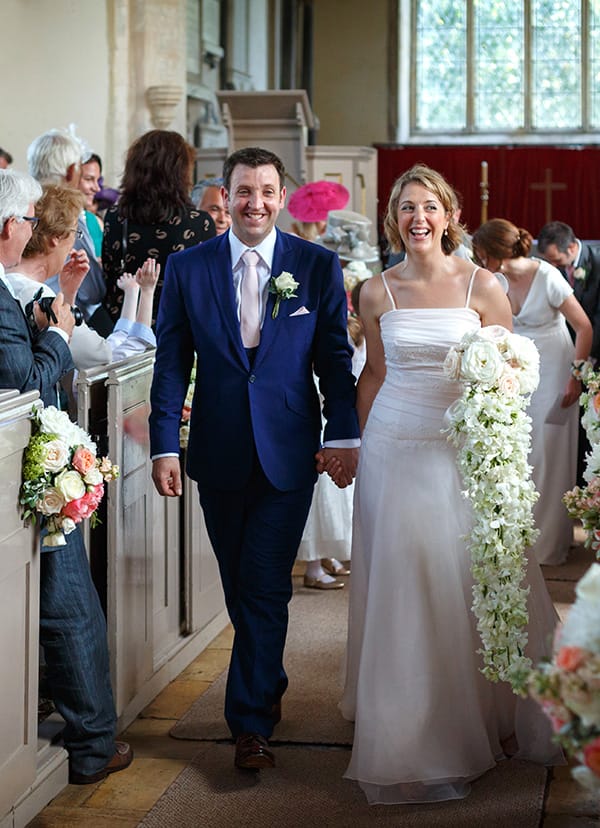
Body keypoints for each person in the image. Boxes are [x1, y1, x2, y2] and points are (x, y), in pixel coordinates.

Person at [340, 164, 562, 805]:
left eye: (429, 207)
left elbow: (515, 371)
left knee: (463, 574)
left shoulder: (483, 285)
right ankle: (406, 729)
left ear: (448, 215)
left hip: (461, 452)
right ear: (393, 217)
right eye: (406, 207)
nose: (417, 218)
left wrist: (495, 432)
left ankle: (484, 710)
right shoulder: (375, 291)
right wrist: (356, 448)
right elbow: (375, 377)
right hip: (392, 447)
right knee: (403, 578)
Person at [149, 146, 359, 771]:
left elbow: (334, 362)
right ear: (226, 193)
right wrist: (165, 444)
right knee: (243, 590)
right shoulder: (189, 268)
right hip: (216, 452)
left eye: (267, 191)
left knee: (265, 587)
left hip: (289, 455)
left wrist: (342, 436)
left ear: (282, 195)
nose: (256, 203)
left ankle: (249, 723)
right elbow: (170, 365)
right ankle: (265, 683)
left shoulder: (316, 266)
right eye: (244, 191)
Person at [0, 168, 132, 784]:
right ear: (14, 227)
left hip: (34, 461)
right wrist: (56, 331)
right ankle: (93, 743)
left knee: (63, 604)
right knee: (71, 607)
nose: (31, 235)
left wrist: (63, 310)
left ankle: (86, 733)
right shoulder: (5, 298)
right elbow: (27, 382)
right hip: (27, 467)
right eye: (27, 222)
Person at [472, 219, 592, 566]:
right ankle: (516, 541)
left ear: (492, 252)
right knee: (520, 455)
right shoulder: (494, 280)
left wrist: (576, 376)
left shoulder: (548, 276)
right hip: (514, 371)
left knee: (548, 454)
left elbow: (584, 327)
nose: (478, 261)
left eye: (480, 253)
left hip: (556, 369)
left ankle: (550, 545)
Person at [5, 184, 157, 373]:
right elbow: (100, 356)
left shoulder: (8, 279)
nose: (74, 244)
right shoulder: (39, 296)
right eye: (76, 233)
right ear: (57, 237)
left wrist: (69, 294)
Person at [102, 130, 216, 325]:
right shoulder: (200, 223)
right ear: (180, 172)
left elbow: (110, 275)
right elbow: (207, 288)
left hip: (125, 326)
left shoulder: (116, 217)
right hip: (178, 327)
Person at [27, 127, 114, 336]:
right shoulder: (69, 215)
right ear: (71, 170)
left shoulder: (20, 207)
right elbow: (92, 292)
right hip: (59, 321)